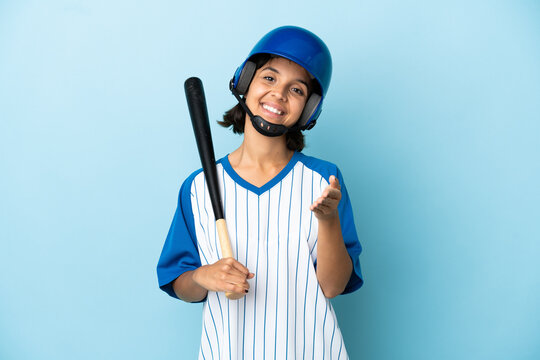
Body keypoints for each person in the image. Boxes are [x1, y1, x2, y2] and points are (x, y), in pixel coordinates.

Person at [157, 26, 363, 359]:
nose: (279, 94)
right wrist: (205, 275)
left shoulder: (324, 180)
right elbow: (182, 286)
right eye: (269, 78)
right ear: (246, 81)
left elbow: (332, 286)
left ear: (309, 108)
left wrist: (328, 220)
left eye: (296, 89)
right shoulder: (197, 187)